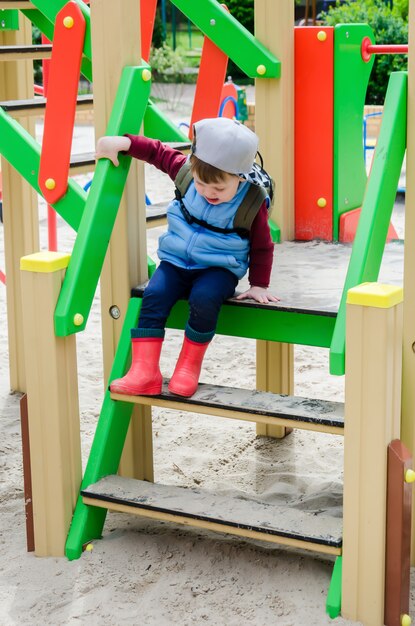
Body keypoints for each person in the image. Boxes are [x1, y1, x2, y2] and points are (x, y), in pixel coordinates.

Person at [96, 117, 279, 398]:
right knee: (154, 294)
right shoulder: (185, 172)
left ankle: (188, 367)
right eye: (202, 183)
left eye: (219, 189)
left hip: (219, 268)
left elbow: (262, 246)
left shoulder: (250, 201)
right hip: (176, 260)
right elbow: (158, 152)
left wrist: (258, 285)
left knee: (203, 299)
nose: (208, 193)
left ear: (240, 177)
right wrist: (126, 143)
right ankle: (145, 372)